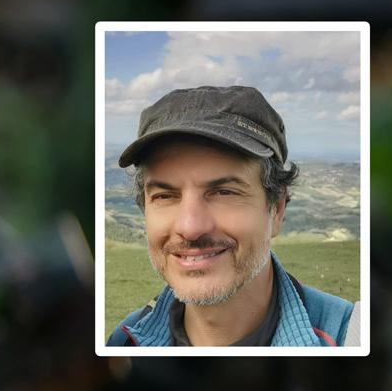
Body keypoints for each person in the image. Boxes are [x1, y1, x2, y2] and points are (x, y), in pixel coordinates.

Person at [108, 84, 358, 347]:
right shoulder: (122, 345)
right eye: (165, 196)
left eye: (224, 192)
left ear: (277, 209)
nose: (190, 227)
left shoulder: (352, 338)